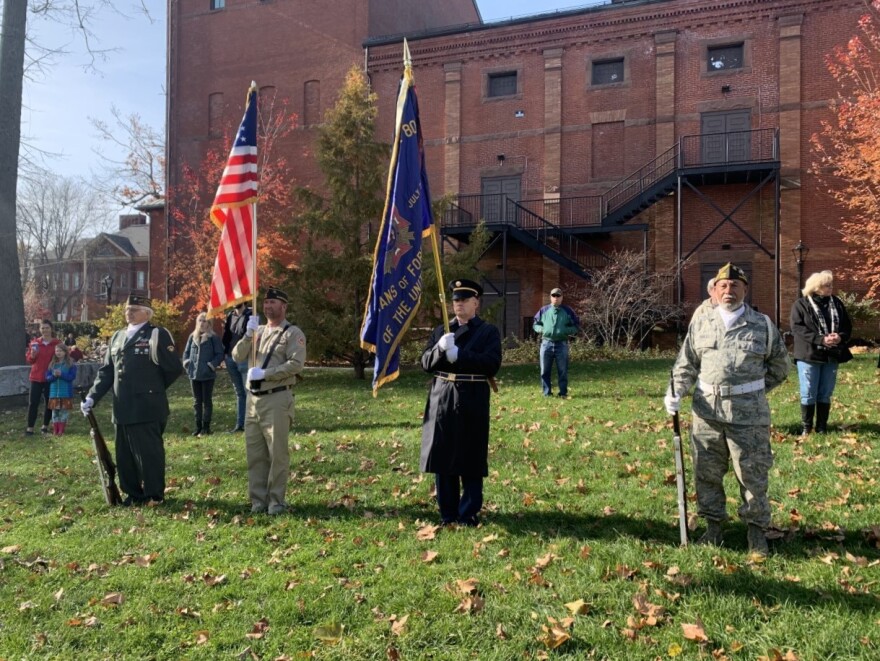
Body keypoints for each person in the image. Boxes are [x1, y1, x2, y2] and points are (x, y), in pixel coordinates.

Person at [665, 263, 790, 556]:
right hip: (706, 414)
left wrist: (751, 392)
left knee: (752, 475)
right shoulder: (701, 321)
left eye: (735, 285)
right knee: (706, 472)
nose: (728, 290)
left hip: (749, 417)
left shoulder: (762, 325)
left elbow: (781, 367)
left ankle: (756, 533)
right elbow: (687, 363)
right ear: (714, 290)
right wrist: (675, 391)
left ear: (745, 290)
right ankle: (714, 527)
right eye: (723, 285)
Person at [81, 295, 183, 506]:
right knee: (124, 454)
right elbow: (107, 372)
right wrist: (92, 396)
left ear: (147, 313)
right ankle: (132, 493)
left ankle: (154, 494)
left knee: (149, 454)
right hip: (122, 406)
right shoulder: (117, 337)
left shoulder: (157, 334)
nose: (129, 312)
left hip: (147, 406)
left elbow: (174, 368)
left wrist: (153, 389)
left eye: (135, 309)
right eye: (128, 309)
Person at [420, 279, 502, 526]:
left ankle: (468, 513)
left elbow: (491, 363)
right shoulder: (442, 331)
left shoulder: (488, 332)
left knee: (470, 456)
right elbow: (425, 363)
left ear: (476, 302)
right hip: (442, 396)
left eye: (464, 300)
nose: (459, 305)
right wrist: (439, 349)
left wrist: (461, 355)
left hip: (472, 396)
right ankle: (447, 513)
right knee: (443, 456)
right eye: (455, 300)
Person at [232, 287, 306, 515]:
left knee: (277, 453)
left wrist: (266, 374)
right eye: (266, 303)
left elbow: (296, 364)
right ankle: (258, 500)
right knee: (255, 453)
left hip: (276, 397)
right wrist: (247, 336)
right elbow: (236, 356)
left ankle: (276, 501)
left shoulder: (293, 333)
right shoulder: (258, 331)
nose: (268, 307)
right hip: (253, 400)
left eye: (273, 303)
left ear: (283, 306)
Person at [790, 270, 852, 435]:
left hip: (831, 354)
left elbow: (847, 325)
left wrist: (839, 337)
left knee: (825, 391)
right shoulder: (801, 304)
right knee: (809, 391)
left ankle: (822, 427)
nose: (831, 287)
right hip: (809, 354)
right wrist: (820, 339)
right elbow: (797, 328)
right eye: (827, 285)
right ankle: (806, 427)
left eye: (831, 285)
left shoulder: (836, 303)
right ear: (816, 287)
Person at [183, 312, 225, 437]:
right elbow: (186, 352)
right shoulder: (192, 336)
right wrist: (187, 363)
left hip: (207, 374)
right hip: (194, 373)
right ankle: (198, 426)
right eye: (200, 320)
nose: (202, 323)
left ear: (209, 323)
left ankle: (206, 427)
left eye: (205, 320)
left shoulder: (213, 338)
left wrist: (211, 365)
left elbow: (220, 354)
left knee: (207, 401)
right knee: (197, 401)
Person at [533, 287, 579, 397]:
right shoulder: (544, 310)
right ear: (550, 297)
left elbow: (576, 326)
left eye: (558, 296)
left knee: (562, 370)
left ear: (562, 297)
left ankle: (563, 393)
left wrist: (565, 331)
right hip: (546, 344)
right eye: (553, 296)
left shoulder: (568, 311)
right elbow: (535, 324)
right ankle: (546, 393)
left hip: (561, 344)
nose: (556, 298)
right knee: (544, 370)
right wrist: (541, 330)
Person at [25, 320, 61, 436]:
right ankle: (30, 428)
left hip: (50, 378)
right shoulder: (35, 343)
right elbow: (30, 360)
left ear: (51, 329)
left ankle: (45, 426)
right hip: (36, 377)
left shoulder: (57, 343)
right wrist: (32, 355)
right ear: (40, 330)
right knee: (33, 403)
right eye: (42, 328)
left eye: (47, 327)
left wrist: (56, 366)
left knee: (49, 403)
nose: (45, 330)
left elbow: (62, 358)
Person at [222, 302, 252, 432]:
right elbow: (227, 337)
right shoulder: (230, 316)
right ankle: (240, 424)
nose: (235, 301)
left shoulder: (251, 315)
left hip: (244, 359)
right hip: (230, 359)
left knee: (248, 392)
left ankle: (250, 424)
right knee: (239, 393)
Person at [46, 343, 77, 436]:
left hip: (66, 393)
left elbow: (71, 377)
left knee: (63, 412)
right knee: (55, 412)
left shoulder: (70, 364)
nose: (58, 353)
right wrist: (54, 376)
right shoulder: (52, 364)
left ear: (65, 352)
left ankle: (61, 431)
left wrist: (62, 374)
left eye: (60, 351)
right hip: (54, 393)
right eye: (56, 351)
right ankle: (55, 430)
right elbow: (47, 378)